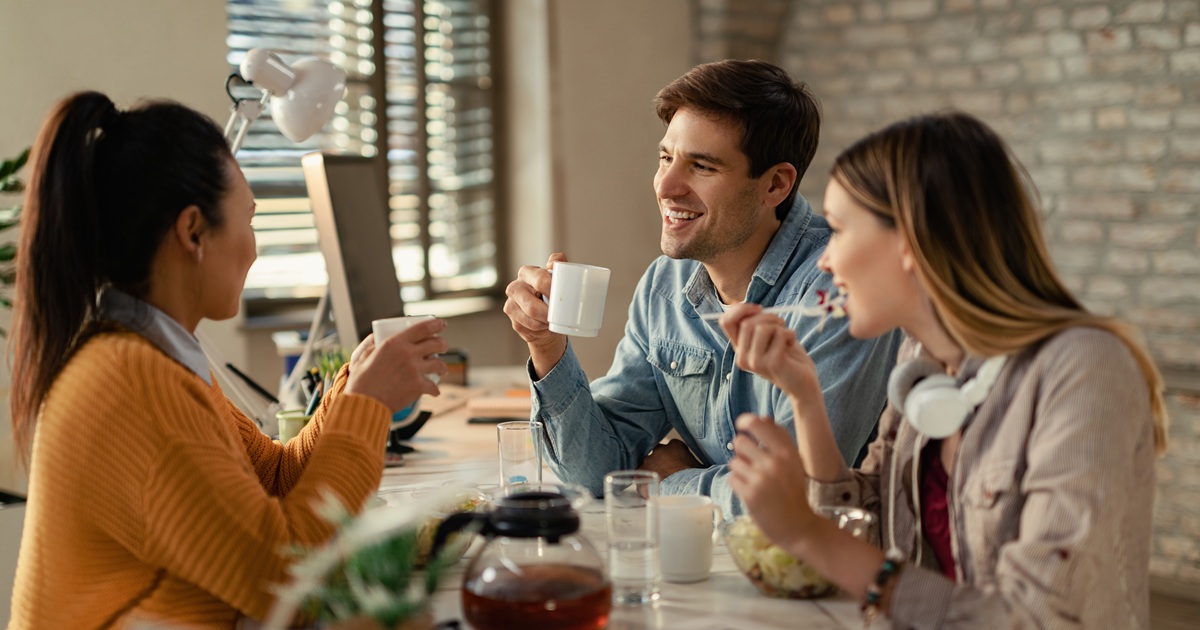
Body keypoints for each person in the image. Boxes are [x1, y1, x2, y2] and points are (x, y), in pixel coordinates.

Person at [8, 92, 449, 629]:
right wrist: (367, 408)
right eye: (249, 218)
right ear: (193, 232)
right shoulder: (131, 380)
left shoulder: (147, 354)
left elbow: (278, 479)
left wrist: (348, 393)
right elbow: (286, 582)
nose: (255, 247)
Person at [723, 111, 1167, 627]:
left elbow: (1035, 617)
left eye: (840, 230)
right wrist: (804, 396)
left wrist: (806, 533)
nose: (826, 261)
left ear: (909, 240)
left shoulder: (1083, 369)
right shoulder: (922, 361)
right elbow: (872, 539)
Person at [503, 59, 902, 514]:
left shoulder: (839, 295)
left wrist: (675, 484)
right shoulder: (665, 286)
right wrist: (547, 347)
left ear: (775, 184)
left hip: (833, 574)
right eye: (665, 157)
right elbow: (598, 470)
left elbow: (799, 500)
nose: (666, 186)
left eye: (702, 166)